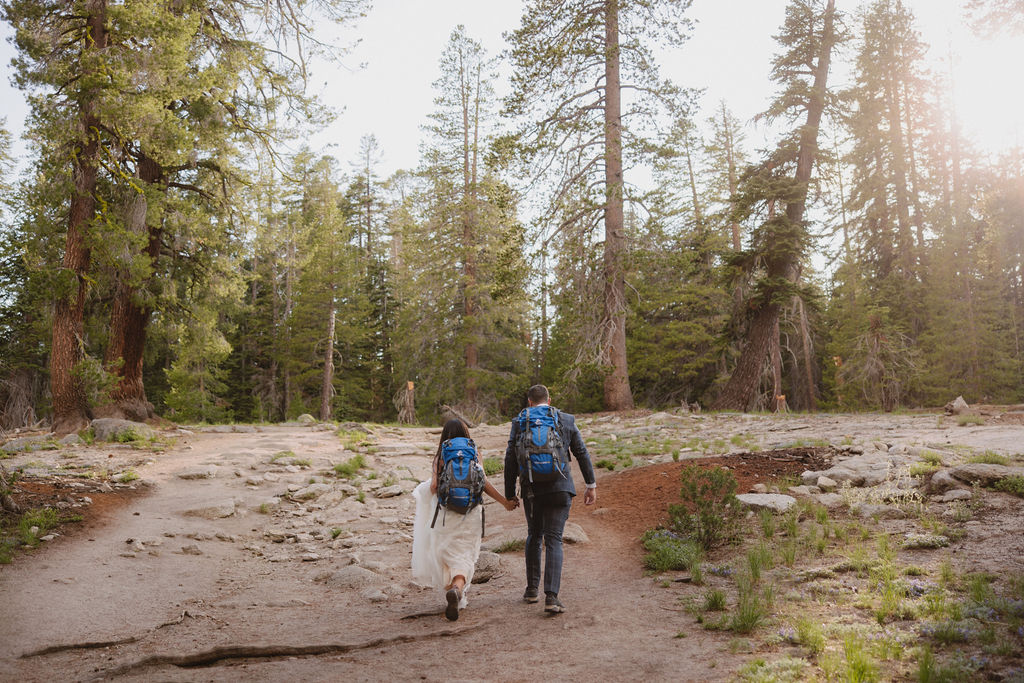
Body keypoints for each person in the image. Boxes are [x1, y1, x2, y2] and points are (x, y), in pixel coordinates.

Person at [412, 419, 517, 621]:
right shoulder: (473, 452)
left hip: (446, 514)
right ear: (466, 432)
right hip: (471, 512)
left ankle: (454, 589)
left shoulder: (441, 455)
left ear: (445, 435)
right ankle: (458, 589)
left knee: (447, 555)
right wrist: (504, 502)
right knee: (465, 556)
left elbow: (434, 487)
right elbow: (483, 482)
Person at [504, 384, 596, 614]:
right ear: (549, 399)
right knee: (554, 539)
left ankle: (532, 590)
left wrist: (509, 494)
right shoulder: (564, 419)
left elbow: (510, 459)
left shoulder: (520, 422)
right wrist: (590, 485)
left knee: (534, 535)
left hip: (532, 489)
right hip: (560, 487)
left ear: (529, 401)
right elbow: (581, 452)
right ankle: (552, 597)